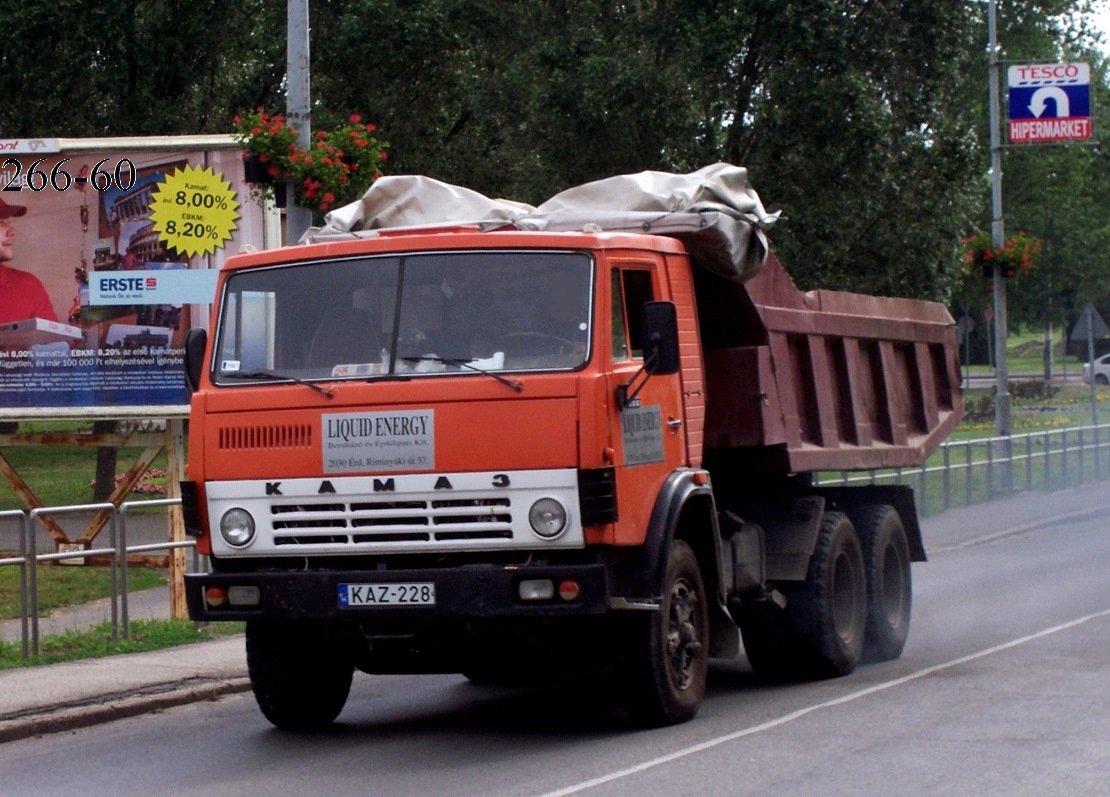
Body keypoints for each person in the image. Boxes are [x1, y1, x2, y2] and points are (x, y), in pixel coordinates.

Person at [0, 197, 57, 323]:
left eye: (8, 222)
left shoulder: (28, 286)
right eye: (0, 223)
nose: (12, 231)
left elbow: (58, 340)